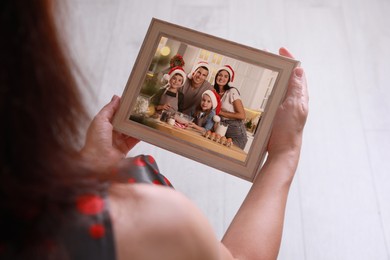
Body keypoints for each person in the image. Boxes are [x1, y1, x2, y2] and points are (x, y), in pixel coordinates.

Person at [0, 1, 309, 259]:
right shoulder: (155, 220)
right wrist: (285, 152)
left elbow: (219, 114)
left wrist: (93, 161)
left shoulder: (223, 93)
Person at [214, 65, 248, 149]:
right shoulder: (214, 91)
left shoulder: (232, 91)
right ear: (216, 76)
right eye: (220, 75)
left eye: (226, 76)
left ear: (229, 80)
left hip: (235, 131)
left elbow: (242, 115)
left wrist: (220, 112)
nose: (222, 78)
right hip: (221, 127)